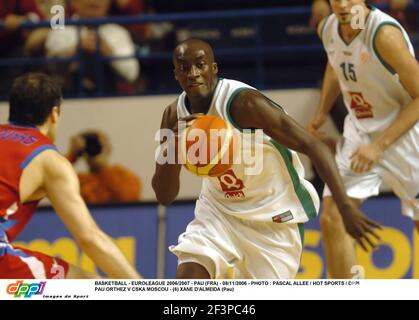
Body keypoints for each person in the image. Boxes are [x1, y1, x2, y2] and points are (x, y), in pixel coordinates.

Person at [152, 38, 380, 279]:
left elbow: (314, 146)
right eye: (184, 67)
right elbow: (165, 196)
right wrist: (174, 148)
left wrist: (345, 207)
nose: (193, 73)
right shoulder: (173, 117)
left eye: (200, 65)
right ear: (175, 74)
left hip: (272, 215)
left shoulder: (244, 103)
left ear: (214, 68)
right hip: (219, 213)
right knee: (187, 283)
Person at [308, 0, 419, 278]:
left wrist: (379, 146)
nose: (344, 5)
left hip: (404, 135)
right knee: (333, 218)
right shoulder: (328, 27)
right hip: (359, 134)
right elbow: (336, 64)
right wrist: (322, 111)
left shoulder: (384, 35)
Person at [0, 73, 141, 279]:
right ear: (55, 113)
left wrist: (72, 155)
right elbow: (90, 238)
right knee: (90, 284)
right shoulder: (49, 160)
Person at [66, 130, 142, 204]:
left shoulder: (125, 177)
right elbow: (56, 186)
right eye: (89, 144)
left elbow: (129, 201)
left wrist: (102, 168)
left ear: (109, 149)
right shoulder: (79, 181)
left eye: (97, 144)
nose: (93, 147)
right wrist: (72, 155)